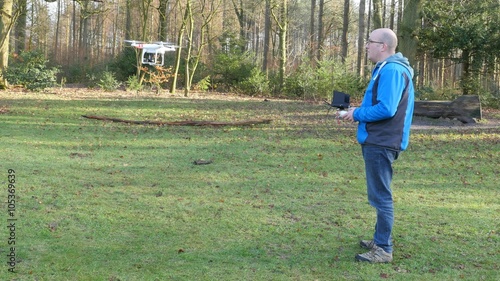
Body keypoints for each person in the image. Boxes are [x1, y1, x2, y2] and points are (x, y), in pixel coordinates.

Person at [342, 28, 415, 263]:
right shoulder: (386, 69)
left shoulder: (392, 70)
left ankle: (383, 248)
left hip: (382, 142)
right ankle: (379, 238)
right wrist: (355, 112)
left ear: (383, 46)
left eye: (369, 41)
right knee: (379, 194)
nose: (366, 45)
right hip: (379, 140)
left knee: (381, 196)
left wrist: (357, 113)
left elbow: (387, 109)